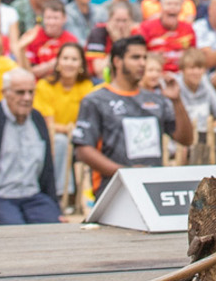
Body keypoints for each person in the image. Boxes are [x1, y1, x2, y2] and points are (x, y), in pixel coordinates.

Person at [72, 36, 195, 193]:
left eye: (144, 57)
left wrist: (177, 101)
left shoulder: (156, 99)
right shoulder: (96, 100)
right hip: (113, 189)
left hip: (153, 187)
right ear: (117, 61)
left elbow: (186, 139)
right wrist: (125, 173)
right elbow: (82, 150)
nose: (142, 63)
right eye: (135, 57)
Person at [0, 69, 60, 226]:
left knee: (54, 229)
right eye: (20, 92)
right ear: (5, 93)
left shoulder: (37, 118)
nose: (27, 98)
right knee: (15, 233)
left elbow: (47, 169)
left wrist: (56, 208)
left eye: (31, 92)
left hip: (33, 196)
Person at [34, 44, 95, 201]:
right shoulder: (45, 85)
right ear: (58, 62)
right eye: (65, 58)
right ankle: (60, 194)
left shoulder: (86, 86)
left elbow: (88, 120)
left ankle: (88, 197)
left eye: (74, 59)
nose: (69, 63)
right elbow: (48, 124)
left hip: (78, 137)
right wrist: (69, 129)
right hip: (51, 138)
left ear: (81, 64)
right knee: (60, 142)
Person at [20, 1, 82, 79]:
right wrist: (55, 62)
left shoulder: (71, 40)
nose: (51, 22)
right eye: (48, 18)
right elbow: (29, 71)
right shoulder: (33, 37)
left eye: (55, 18)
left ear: (64, 19)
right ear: (43, 19)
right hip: (38, 85)